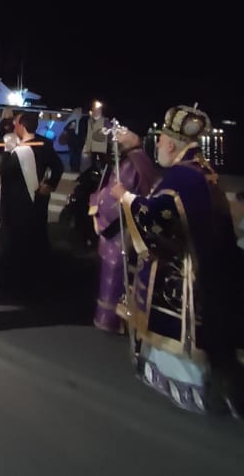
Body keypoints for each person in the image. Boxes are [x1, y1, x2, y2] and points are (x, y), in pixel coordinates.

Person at [110, 104, 244, 415]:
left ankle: (186, 386)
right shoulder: (202, 169)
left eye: (159, 140)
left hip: (183, 270)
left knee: (182, 329)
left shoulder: (183, 177)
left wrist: (125, 198)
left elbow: (159, 217)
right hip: (207, 262)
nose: (157, 145)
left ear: (170, 144)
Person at [89, 124, 158, 333]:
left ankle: (111, 318)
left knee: (115, 268)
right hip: (132, 222)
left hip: (122, 227)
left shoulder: (132, 163)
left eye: (121, 133)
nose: (117, 138)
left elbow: (116, 195)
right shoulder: (139, 159)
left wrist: (97, 203)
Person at [0, 110, 64, 298]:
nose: (14, 127)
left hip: (23, 202)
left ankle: (25, 283)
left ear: (22, 126)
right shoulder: (33, 144)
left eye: (16, 123)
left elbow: (57, 167)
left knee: (26, 241)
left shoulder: (39, 145)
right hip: (29, 200)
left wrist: (50, 184)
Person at [60, 106, 89, 172]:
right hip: (75, 141)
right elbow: (67, 129)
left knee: (75, 155)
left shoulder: (78, 120)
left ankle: (75, 168)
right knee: (75, 155)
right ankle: (75, 168)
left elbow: (66, 129)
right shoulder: (76, 120)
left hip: (75, 141)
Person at [83, 101, 108, 169]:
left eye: (96, 110)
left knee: (103, 162)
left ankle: (103, 173)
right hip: (92, 146)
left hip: (101, 145)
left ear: (100, 111)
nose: (94, 112)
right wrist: (87, 147)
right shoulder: (90, 121)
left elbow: (108, 132)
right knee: (92, 163)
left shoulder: (105, 120)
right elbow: (89, 133)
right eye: (93, 110)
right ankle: (94, 173)